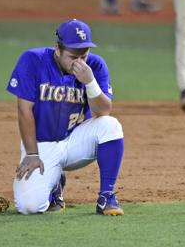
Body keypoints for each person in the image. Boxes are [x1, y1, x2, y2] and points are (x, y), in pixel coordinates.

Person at [8, 19, 125, 216]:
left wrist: (90, 82)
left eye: (84, 56)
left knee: (110, 126)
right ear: (58, 49)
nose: (79, 62)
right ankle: (55, 183)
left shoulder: (95, 66)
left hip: (76, 141)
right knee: (29, 207)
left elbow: (103, 111)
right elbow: (24, 110)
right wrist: (31, 154)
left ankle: (107, 196)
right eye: (73, 56)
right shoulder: (32, 60)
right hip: (41, 145)